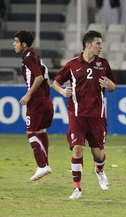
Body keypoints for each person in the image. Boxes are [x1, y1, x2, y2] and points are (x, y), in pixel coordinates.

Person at [53, 30, 116, 199]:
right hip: (77, 115)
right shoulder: (72, 64)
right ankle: (77, 189)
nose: (101, 47)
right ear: (88, 45)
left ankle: (100, 170)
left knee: (98, 154)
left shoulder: (103, 64)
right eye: (98, 44)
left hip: (97, 116)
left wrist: (111, 85)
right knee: (78, 148)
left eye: (101, 44)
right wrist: (62, 91)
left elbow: (112, 86)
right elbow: (56, 82)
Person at [14, 30, 54, 181]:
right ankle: (45, 165)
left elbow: (38, 77)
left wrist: (29, 94)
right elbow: (46, 76)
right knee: (41, 130)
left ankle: (42, 165)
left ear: (24, 44)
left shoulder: (28, 58)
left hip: (37, 100)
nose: (14, 44)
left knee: (30, 132)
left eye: (16, 42)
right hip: (45, 98)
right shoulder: (35, 56)